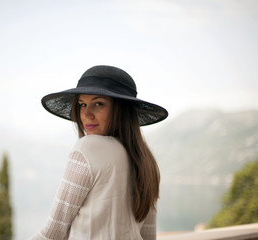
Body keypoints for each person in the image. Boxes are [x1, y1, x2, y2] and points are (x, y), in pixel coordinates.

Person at [29, 65, 168, 240]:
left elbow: (53, 233)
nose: (86, 114)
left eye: (98, 104)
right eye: (82, 104)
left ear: (121, 109)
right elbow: (148, 236)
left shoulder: (88, 148)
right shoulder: (146, 161)